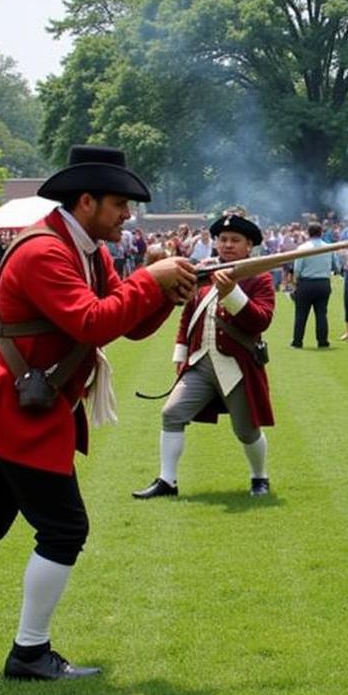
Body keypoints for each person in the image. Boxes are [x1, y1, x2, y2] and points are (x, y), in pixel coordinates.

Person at [0, 145, 196, 680]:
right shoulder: (45, 251)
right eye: (120, 204)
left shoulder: (87, 249)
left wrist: (167, 293)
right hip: (18, 401)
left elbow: (127, 323)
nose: (127, 216)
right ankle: (29, 653)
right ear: (87, 200)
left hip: (21, 397)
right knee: (63, 528)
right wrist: (151, 279)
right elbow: (92, 323)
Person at [134, 211, 276, 501]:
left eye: (235, 240)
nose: (227, 245)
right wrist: (181, 353)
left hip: (236, 366)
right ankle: (167, 480)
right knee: (171, 413)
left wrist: (231, 292)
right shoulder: (204, 270)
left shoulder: (258, 278)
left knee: (247, 431)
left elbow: (260, 321)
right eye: (223, 239)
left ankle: (259, 477)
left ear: (249, 245)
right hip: (200, 361)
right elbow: (188, 314)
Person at [290, 222, 337, 348]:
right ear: (321, 233)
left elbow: (297, 269)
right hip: (323, 282)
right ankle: (323, 341)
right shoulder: (328, 247)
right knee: (321, 314)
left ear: (308, 233)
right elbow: (336, 266)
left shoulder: (302, 248)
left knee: (301, 314)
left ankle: (297, 341)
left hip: (306, 283)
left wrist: (295, 283)